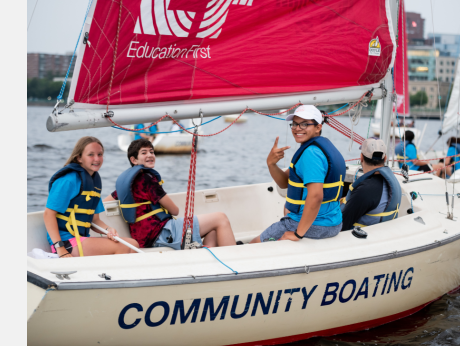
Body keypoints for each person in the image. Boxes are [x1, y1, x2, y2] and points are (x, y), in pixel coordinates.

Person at [104, 138, 236, 249]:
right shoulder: (148, 179)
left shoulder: (126, 184)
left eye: (152, 151)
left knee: (212, 231)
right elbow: (175, 210)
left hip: (146, 238)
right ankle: (236, 260)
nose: (150, 155)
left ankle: (207, 262)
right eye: (144, 152)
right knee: (220, 218)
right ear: (134, 160)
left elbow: (104, 202)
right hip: (163, 233)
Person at [250, 105, 346, 243]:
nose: (297, 128)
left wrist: (297, 234)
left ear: (318, 127)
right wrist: (271, 164)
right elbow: (284, 183)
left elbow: (315, 196)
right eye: (294, 124)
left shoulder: (311, 153)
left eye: (304, 124)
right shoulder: (320, 147)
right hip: (333, 221)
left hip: (316, 225)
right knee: (287, 210)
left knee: (253, 245)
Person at [44, 137, 139, 258]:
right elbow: (48, 214)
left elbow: (94, 220)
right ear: (79, 158)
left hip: (81, 238)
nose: (97, 159)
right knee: (123, 247)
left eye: (100, 154)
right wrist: (60, 248)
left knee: (133, 244)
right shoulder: (68, 181)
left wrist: (108, 229)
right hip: (66, 243)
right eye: (91, 155)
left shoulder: (93, 184)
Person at [341, 138, 402, 230]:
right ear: (385, 158)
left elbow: (342, 224)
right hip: (380, 232)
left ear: (361, 157)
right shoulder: (392, 181)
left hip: (359, 239)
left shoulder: (365, 190)